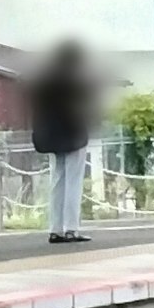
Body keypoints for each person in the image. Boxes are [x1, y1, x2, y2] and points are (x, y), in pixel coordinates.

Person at [28, 40, 102, 244]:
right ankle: (71, 228)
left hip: (51, 136)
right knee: (73, 182)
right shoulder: (73, 81)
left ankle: (55, 229)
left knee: (57, 180)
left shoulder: (43, 80)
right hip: (73, 134)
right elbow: (84, 105)